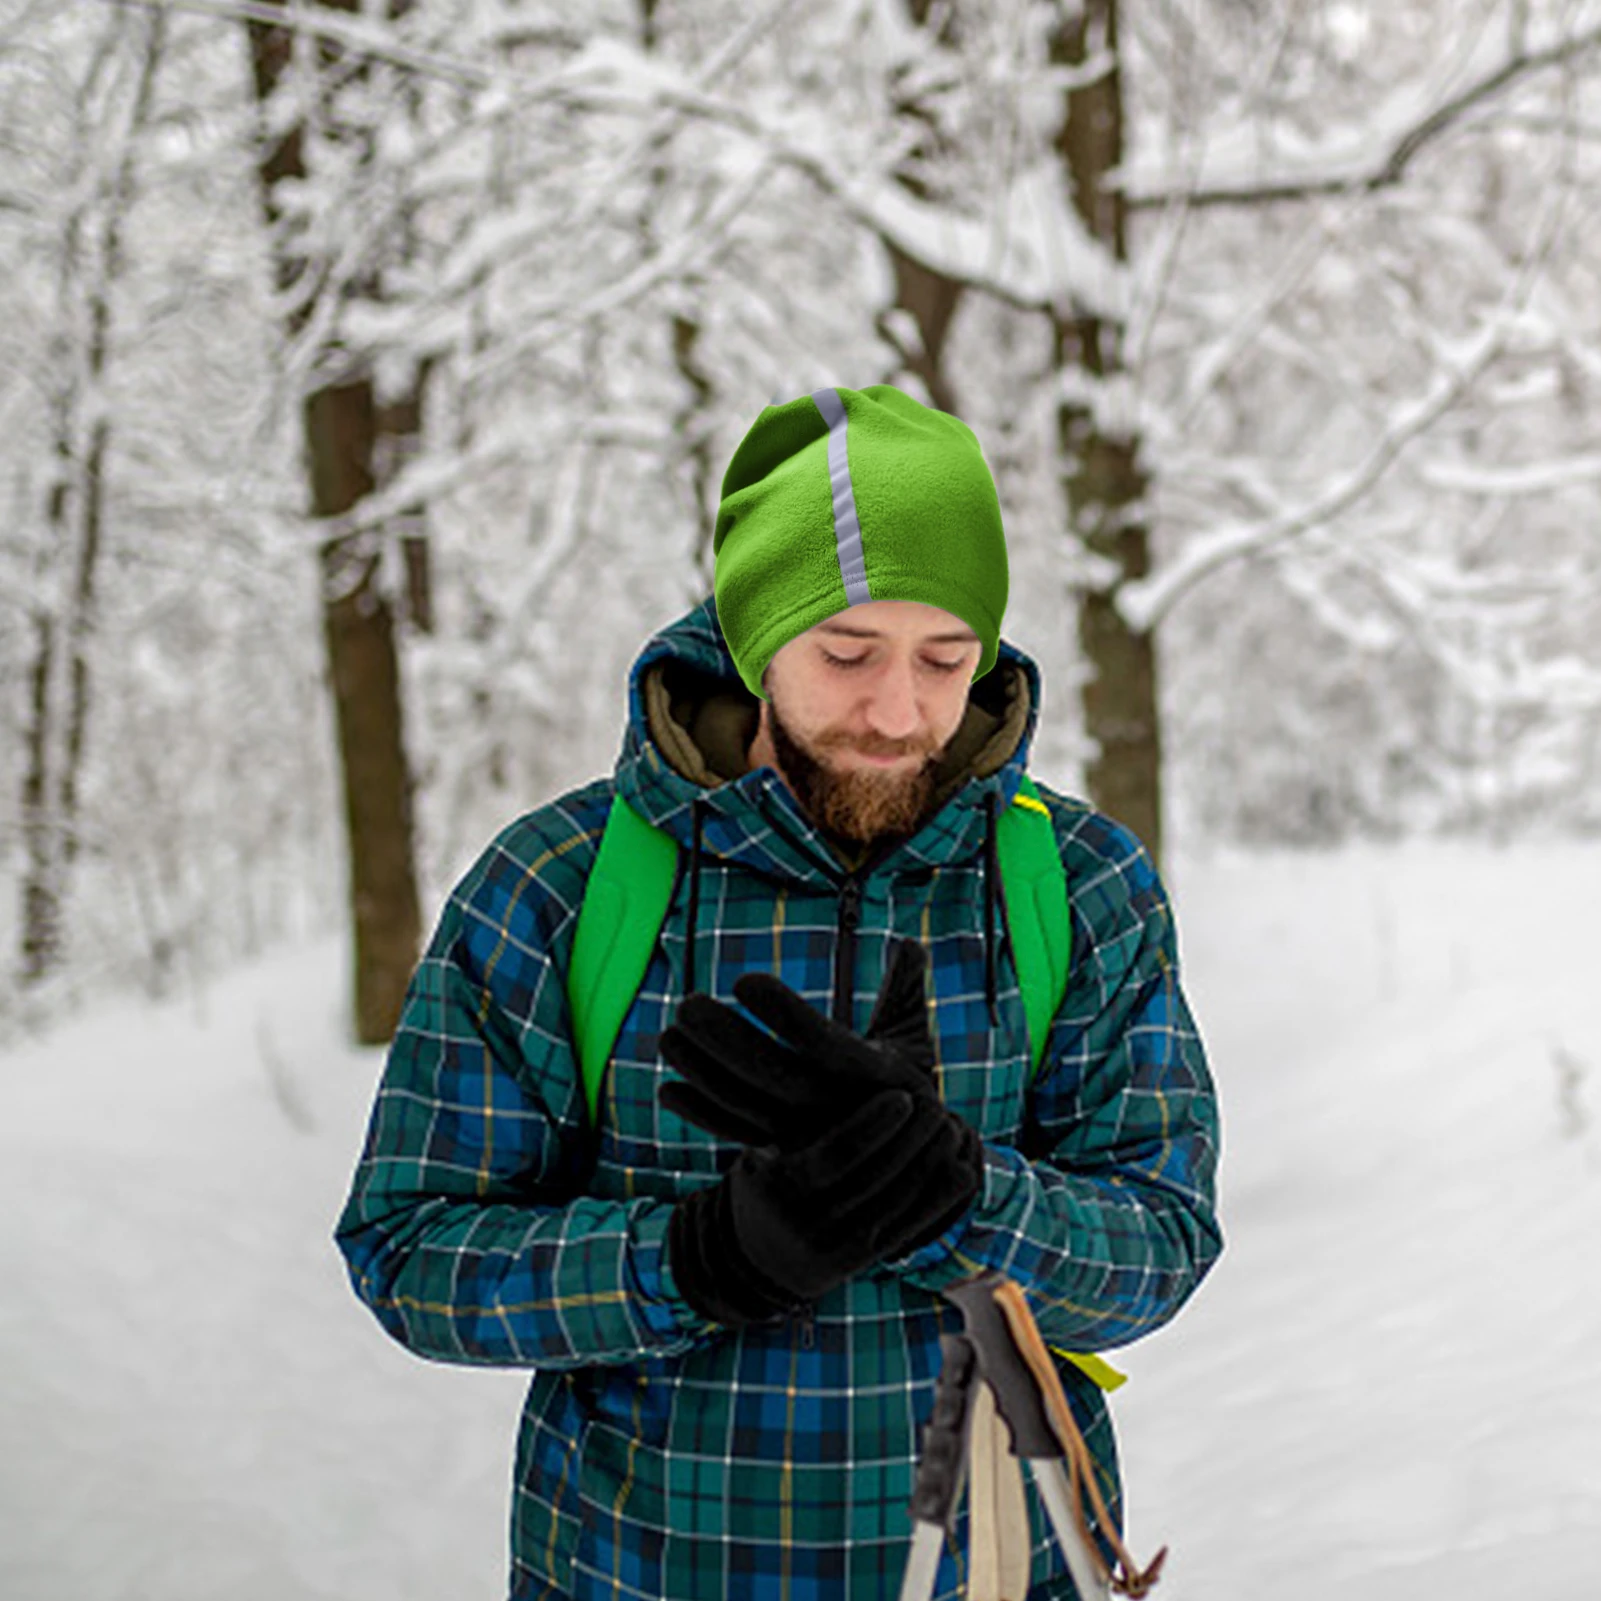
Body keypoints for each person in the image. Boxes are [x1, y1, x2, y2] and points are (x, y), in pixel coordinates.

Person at [335, 384, 1222, 1600]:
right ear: (754, 640)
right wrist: (694, 1258)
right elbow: (411, 1251)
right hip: (642, 1569)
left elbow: (1161, 1243)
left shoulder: (1073, 884)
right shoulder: (558, 885)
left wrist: (957, 1195)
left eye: (945, 657)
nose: (899, 710)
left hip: (998, 1570)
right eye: (846, 653)